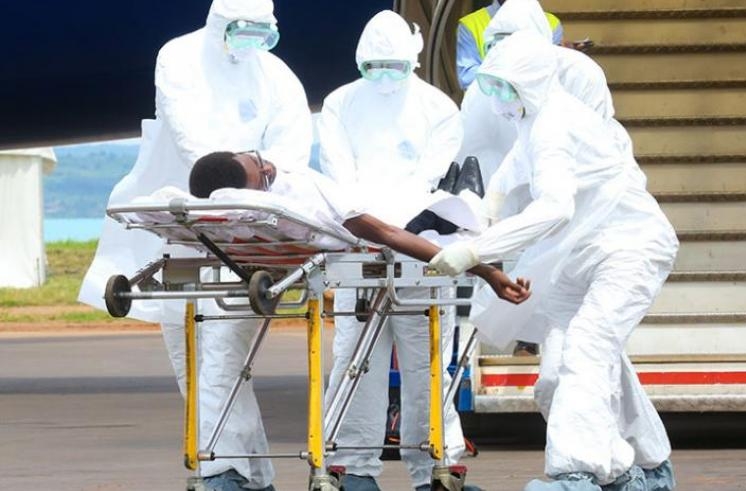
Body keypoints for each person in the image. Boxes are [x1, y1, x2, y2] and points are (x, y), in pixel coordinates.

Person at [429, 31, 678, 491]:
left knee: (585, 349)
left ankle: (576, 474)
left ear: (533, 82)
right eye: (492, 87)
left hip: (628, 248)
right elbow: (502, 187)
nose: (497, 99)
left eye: (505, 88)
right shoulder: (534, 125)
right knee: (560, 369)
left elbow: (554, 207)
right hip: (581, 256)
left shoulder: (556, 125)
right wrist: (466, 215)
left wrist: (473, 251)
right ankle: (641, 467)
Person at [78, 1, 312, 490]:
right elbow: (192, 143)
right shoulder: (178, 58)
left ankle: (220, 471)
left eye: (262, 33)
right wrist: (235, 182)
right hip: (177, 225)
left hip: (249, 234)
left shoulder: (279, 77)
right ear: (219, 24)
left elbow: (290, 155)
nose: (252, 43)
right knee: (191, 359)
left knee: (223, 352)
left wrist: (252, 198)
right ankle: (256, 476)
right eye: (243, 31)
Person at [317, 10, 478, 491]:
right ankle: (353, 466)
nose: (384, 77)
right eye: (374, 67)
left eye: (394, 66)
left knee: (425, 364)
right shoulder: (339, 103)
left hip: (421, 248)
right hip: (359, 245)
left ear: (412, 59)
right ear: (359, 62)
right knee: (354, 360)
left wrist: (387, 229)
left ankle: (435, 466)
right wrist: (367, 227)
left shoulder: (438, 108)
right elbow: (338, 170)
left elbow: (429, 177)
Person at [457, 0, 620, 357]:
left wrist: (474, 250)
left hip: (577, 195)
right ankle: (529, 338)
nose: (506, 51)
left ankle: (544, 340)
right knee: (526, 266)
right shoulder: (489, 84)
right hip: (526, 189)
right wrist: (486, 203)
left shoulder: (578, 75)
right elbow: (476, 146)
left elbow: (593, 143)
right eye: (496, 43)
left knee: (568, 285)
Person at [187, 151, 530, 307]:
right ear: (256, 189)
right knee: (447, 211)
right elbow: (388, 234)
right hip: (390, 221)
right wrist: (483, 270)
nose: (270, 164)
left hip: (371, 206)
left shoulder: (232, 219)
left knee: (438, 203)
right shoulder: (298, 196)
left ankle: (456, 193)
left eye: (256, 155)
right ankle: (464, 197)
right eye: (265, 171)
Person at [456, 0, 562, 90]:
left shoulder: (551, 24)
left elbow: (554, 73)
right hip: (487, 104)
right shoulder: (471, 24)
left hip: (539, 105)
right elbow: (467, 77)